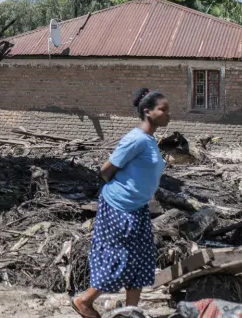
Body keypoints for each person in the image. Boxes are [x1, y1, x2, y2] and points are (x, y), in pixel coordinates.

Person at [72, 88, 170, 318]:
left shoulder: (149, 139)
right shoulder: (135, 139)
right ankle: (84, 301)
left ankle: (131, 313)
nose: (168, 115)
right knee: (120, 259)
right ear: (147, 112)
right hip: (120, 207)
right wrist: (124, 191)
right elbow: (106, 170)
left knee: (141, 261)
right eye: (163, 110)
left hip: (137, 208)